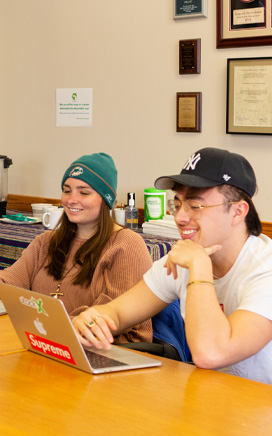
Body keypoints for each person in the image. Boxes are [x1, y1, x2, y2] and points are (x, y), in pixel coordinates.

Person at [72, 147, 272, 385]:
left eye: (195, 206)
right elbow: (117, 313)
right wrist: (91, 321)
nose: (180, 217)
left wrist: (199, 265)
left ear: (238, 211)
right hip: (215, 399)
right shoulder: (186, 257)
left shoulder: (262, 268)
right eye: (177, 204)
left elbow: (211, 354)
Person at [0, 152, 153, 344]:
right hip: (50, 342)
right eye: (67, 190)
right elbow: (10, 280)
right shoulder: (47, 241)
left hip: (110, 352)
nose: (71, 200)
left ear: (106, 199)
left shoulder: (127, 245)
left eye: (84, 192)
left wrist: (57, 324)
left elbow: (113, 319)